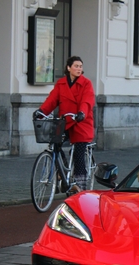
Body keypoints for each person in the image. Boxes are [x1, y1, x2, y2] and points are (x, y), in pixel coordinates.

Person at [36, 56, 95, 193]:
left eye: (80, 66)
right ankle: (60, 172)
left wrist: (81, 113)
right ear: (68, 68)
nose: (79, 69)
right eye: (76, 66)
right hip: (66, 120)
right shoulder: (61, 83)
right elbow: (52, 99)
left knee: (79, 154)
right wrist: (41, 111)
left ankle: (80, 186)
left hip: (81, 122)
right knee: (54, 143)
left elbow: (87, 101)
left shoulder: (86, 84)